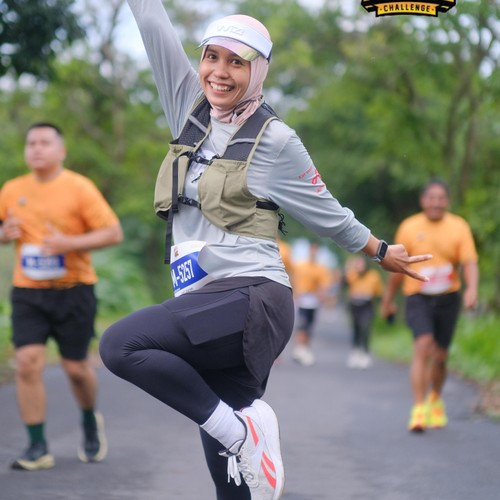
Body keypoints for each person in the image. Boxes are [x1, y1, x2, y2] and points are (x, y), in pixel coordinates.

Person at [99, 2, 431, 499]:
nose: (220, 72)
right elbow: (150, 21)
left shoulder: (276, 140)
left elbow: (326, 210)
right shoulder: (188, 104)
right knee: (232, 485)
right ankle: (241, 435)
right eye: (212, 57)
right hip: (204, 303)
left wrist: (382, 251)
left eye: (238, 61)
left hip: (252, 300)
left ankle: (241, 433)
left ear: (259, 71)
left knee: (121, 345)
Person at [0, 122, 123, 470]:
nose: (36, 148)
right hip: (28, 292)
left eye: (44, 142)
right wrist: (3, 234)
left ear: (61, 151)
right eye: (31, 143)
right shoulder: (12, 189)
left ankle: (89, 419)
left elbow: (113, 233)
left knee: (76, 369)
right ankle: (37, 446)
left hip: (74, 291)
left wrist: (69, 243)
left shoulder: (79, 188)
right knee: (27, 362)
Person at [381, 178, 479, 433]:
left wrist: (472, 289)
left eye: (441, 198)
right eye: (431, 198)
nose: (436, 203)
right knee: (423, 346)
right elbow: (397, 267)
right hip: (418, 296)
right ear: (423, 200)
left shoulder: (459, 226)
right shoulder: (409, 227)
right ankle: (418, 408)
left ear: (448, 201)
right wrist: (388, 300)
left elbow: (469, 261)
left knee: (441, 356)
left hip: (448, 297)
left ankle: (435, 398)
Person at [291, 242, 332, 367]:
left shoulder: (321, 269)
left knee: (309, 326)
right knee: (302, 324)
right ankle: (300, 348)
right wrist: (294, 292)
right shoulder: (300, 266)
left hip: (313, 300)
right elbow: (293, 279)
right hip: (302, 299)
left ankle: (305, 348)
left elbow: (324, 284)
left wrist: (323, 295)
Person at [343, 255, 383, 369]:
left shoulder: (373, 276)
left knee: (365, 328)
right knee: (356, 328)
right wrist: (347, 270)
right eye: (358, 265)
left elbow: (379, 293)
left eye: (361, 264)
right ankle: (355, 352)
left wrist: (383, 306)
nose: (359, 267)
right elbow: (344, 284)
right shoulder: (352, 274)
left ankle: (365, 353)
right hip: (354, 304)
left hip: (367, 305)